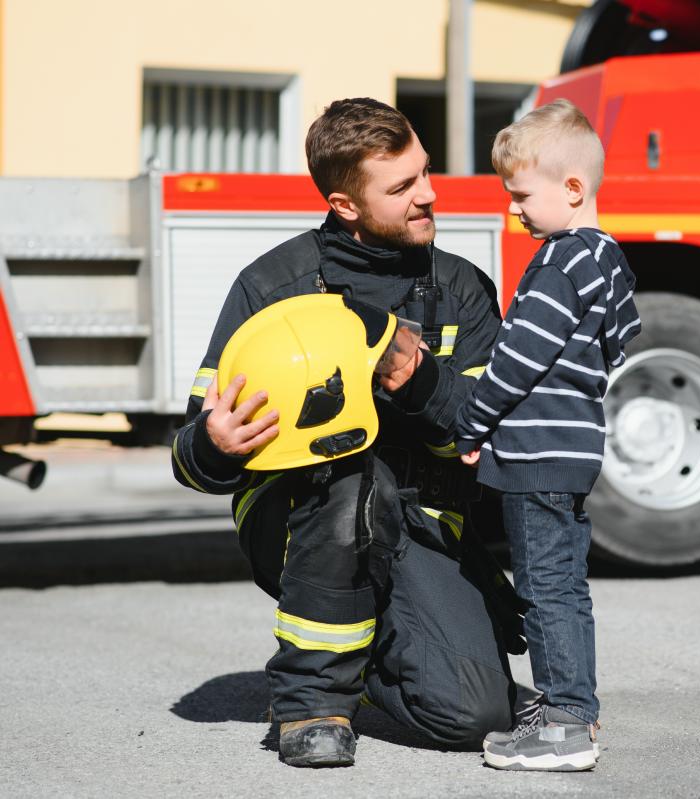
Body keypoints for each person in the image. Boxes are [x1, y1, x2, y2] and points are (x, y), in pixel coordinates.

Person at [170, 97, 525, 768]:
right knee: (350, 475)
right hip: (299, 517)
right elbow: (190, 455)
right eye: (403, 187)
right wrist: (213, 444)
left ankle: (361, 657)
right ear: (345, 205)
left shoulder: (461, 289)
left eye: (424, 172)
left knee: (474, 712)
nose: (429, 194)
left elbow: (496, 439)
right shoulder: (272, 288)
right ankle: (310, 703)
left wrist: (419, 382)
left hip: (421, 524)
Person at [453, 98, 641, 772]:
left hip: (533, 456)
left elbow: (515, 361)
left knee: (543, 589)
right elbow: (621, 343)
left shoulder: (558, 264)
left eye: (521, 195)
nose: (515, 210)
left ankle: (561, 725)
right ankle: (579, 707)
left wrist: (473, 424)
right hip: (574, 452)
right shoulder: (607, 260)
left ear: (571, 188)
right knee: (569, 588)